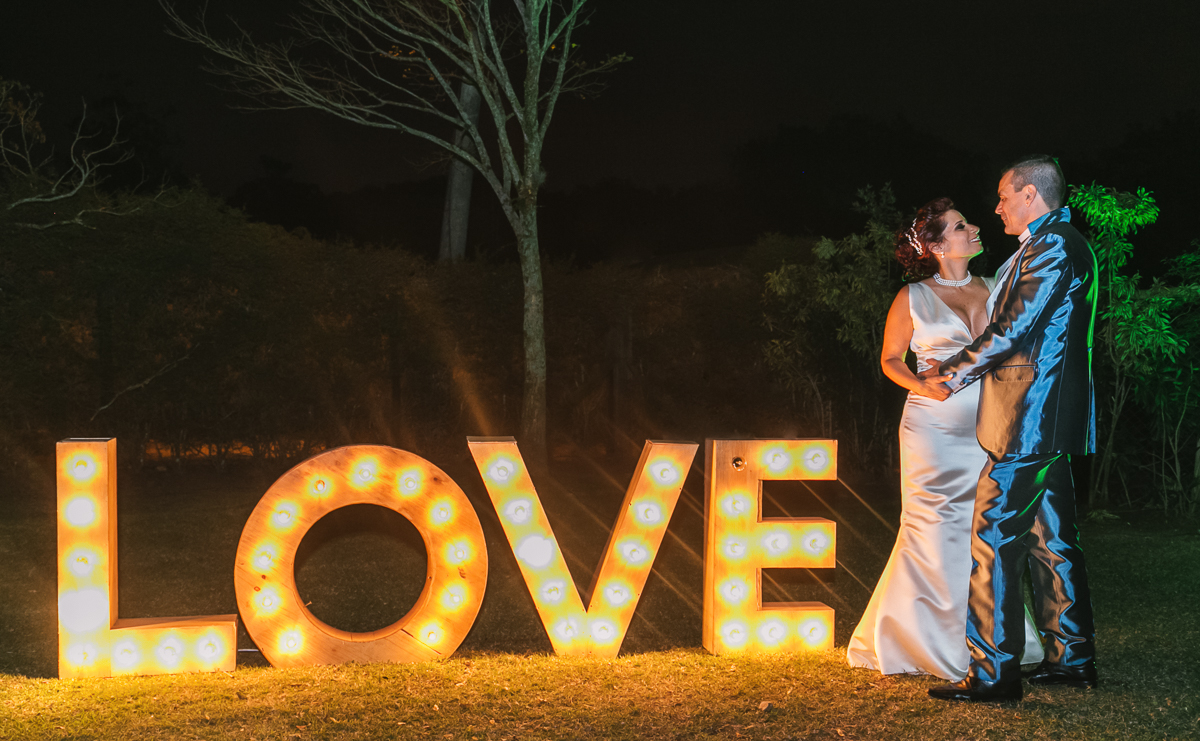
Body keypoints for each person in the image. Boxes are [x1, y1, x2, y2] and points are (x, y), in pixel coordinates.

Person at [846, 198, 1044, 680]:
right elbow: (891, 359)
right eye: (960, 226)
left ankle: (991, 639)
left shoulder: (997, 286)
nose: (974, 227)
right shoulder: (912, 296)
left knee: (987, 527)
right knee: (934, 528)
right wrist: (921, 383)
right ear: (936, 246)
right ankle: (924, 639)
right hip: (932, 429)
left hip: (992, 425)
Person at [927, 156, 1098, 703]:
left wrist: (948, 375)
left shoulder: (1053, 246)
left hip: (1030, 419)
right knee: (1053, 542)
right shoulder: (1053, 243)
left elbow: (1010, 332)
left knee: (993, 538)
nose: (996, 206)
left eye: (1004, 196)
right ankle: (1071, 658)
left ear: (1030, 195)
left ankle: (994, 673)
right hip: (1044, 420)